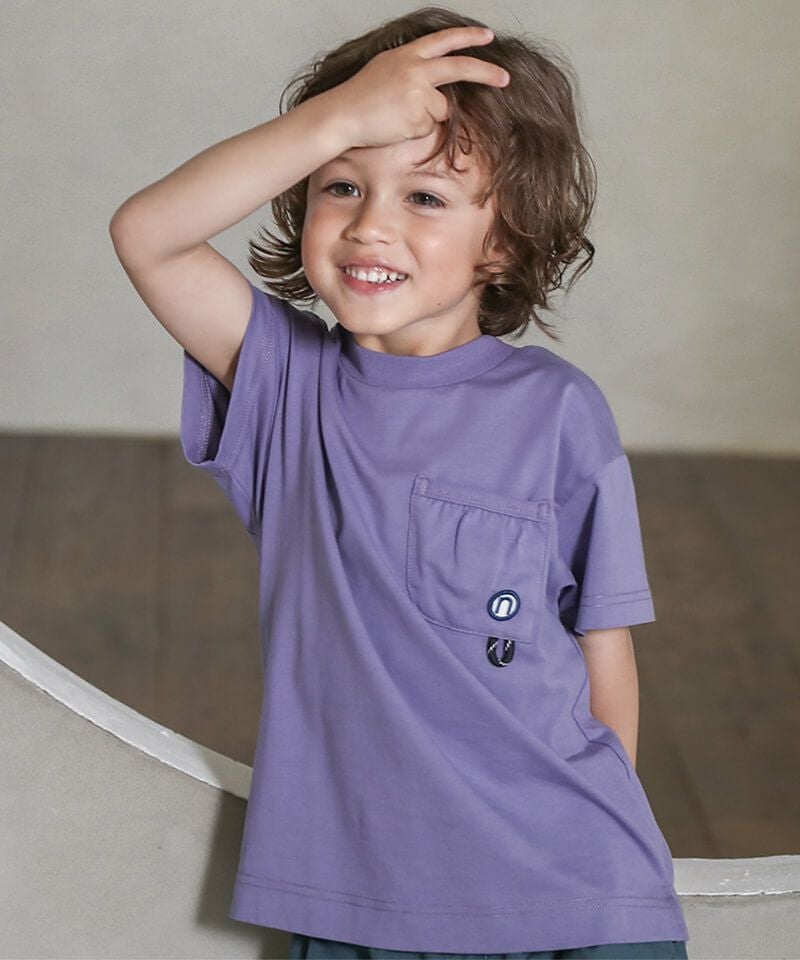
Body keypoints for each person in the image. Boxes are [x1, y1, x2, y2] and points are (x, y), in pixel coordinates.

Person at [109, 6, 690, 959]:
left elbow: (601, 640)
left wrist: (616, 846)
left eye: (425, 196)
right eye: (341, 185)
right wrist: (340, 115)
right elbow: (148, 234)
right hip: (357, 900)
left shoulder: (560, 409)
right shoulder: (286, 389)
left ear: (504, 241)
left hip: (579, 887)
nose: (370, 224)